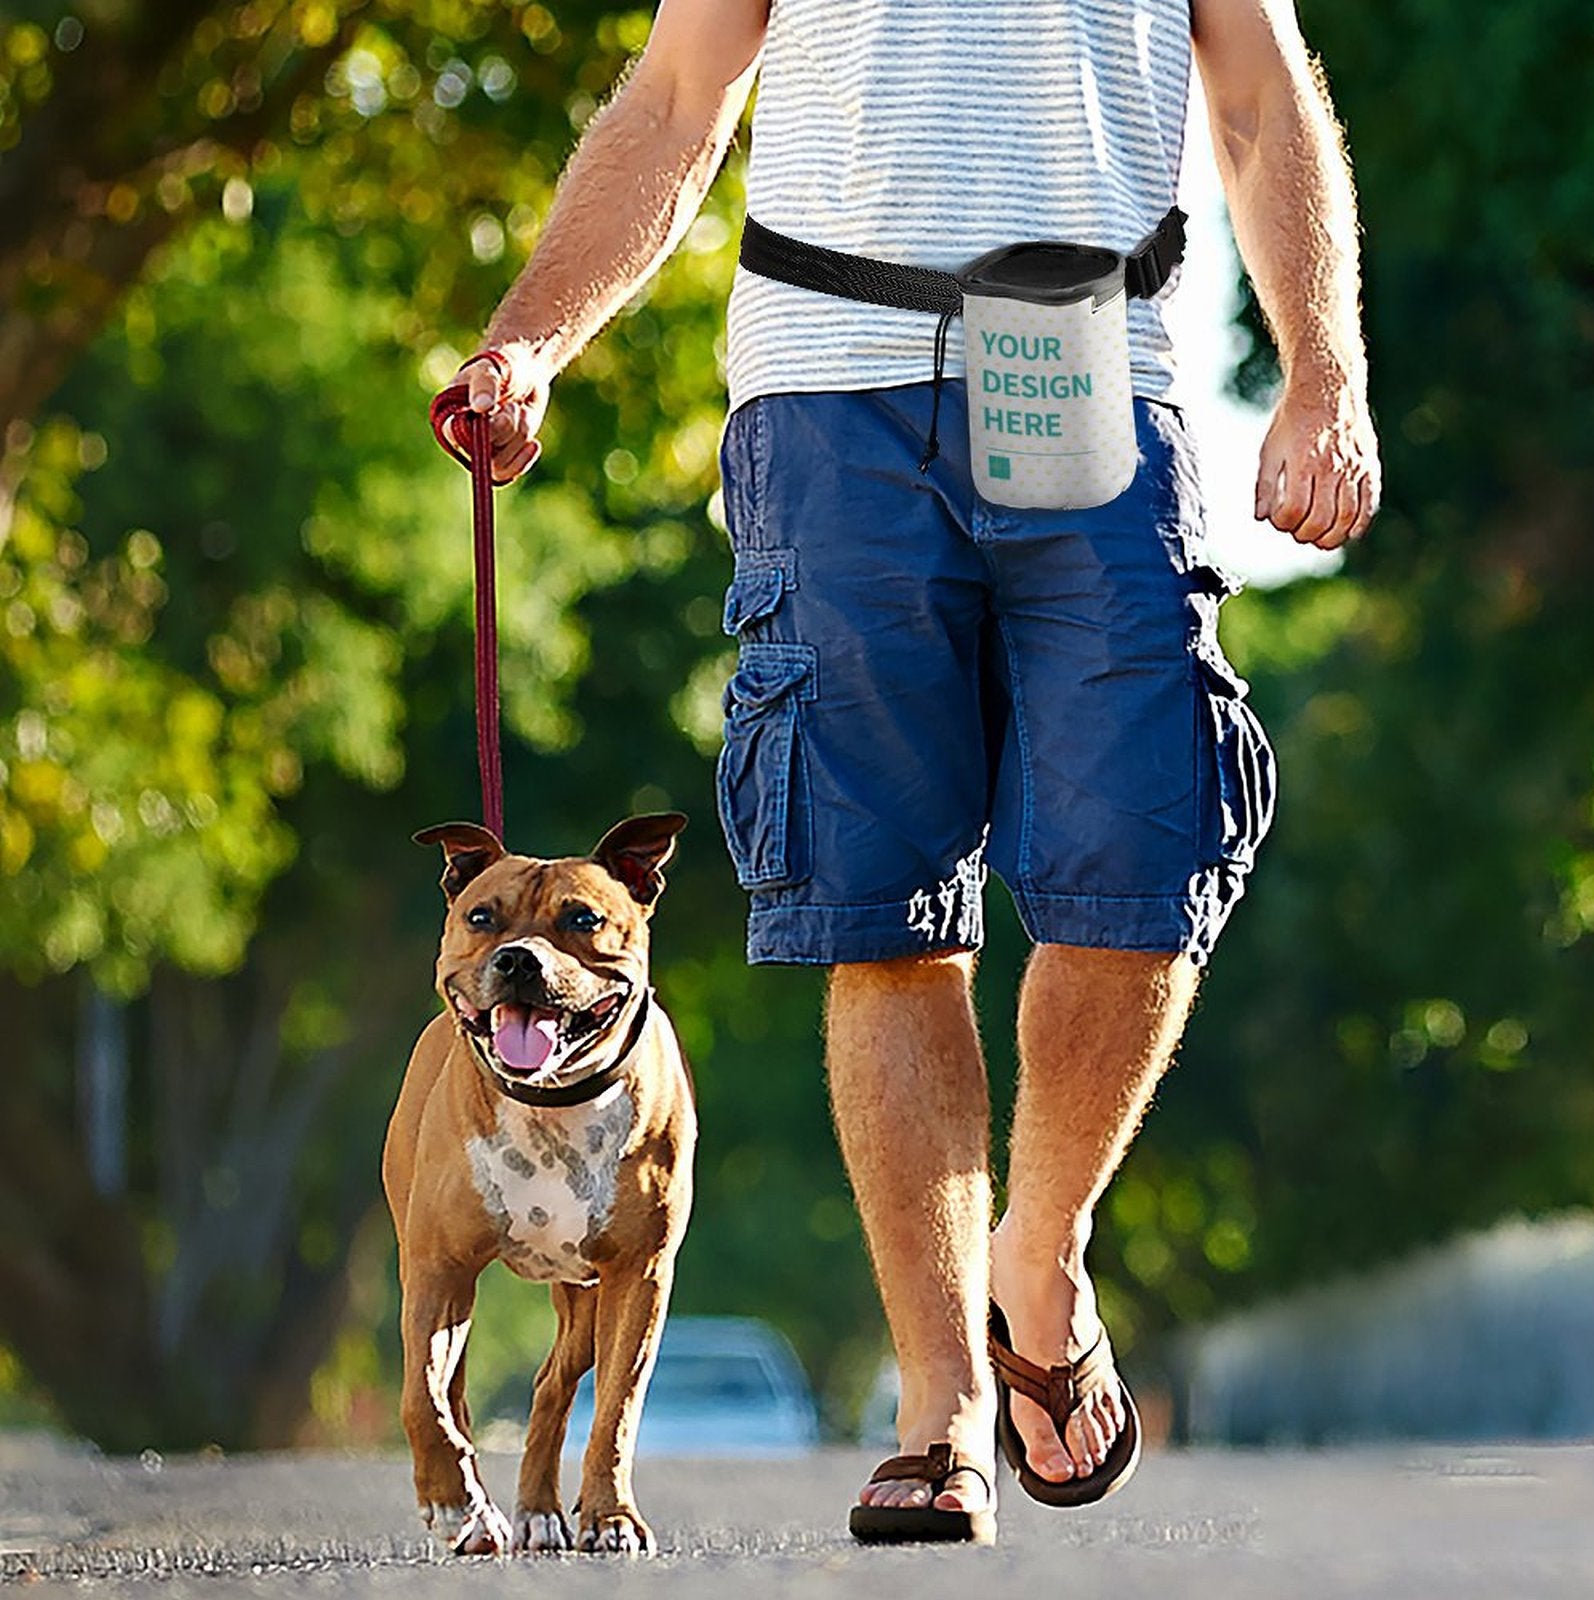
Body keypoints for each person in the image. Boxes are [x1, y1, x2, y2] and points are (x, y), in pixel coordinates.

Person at [438, 0, 1380, 1543]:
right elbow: (679, 99)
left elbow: (1267, 99)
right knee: (883, 915)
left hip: (1080, 358)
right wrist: (532, 337)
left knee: (1138, 863)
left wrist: (1322, 374)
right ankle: (941, 1406)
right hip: (831, 384)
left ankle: (1042, 1256)